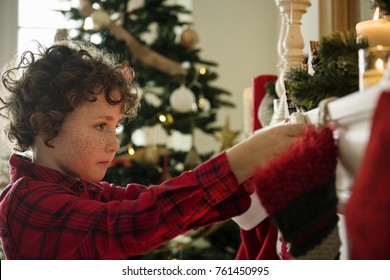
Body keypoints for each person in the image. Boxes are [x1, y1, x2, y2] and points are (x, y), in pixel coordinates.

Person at [0, 40, 306, 260]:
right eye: (100, 126)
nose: (114, 143)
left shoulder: (82, 189)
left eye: (115, 127)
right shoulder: (26, 201)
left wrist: (247, 180)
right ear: (43, 126)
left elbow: (156, 201)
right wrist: (239, 160)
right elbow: (134, 221)